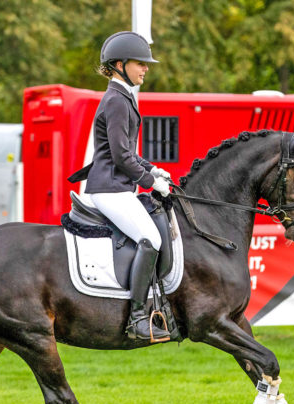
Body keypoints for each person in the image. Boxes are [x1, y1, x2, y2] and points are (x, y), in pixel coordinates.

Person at [85, 31, 172, 341]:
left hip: (117, 186)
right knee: (151, 239)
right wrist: (150, 183)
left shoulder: (122, 97)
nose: (146, 69)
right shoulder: (117, 100)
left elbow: (127, 152)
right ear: (120, 65)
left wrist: (153, 169)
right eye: (140, 63)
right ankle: (136, 318)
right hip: (110, 189)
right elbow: (121, 157)